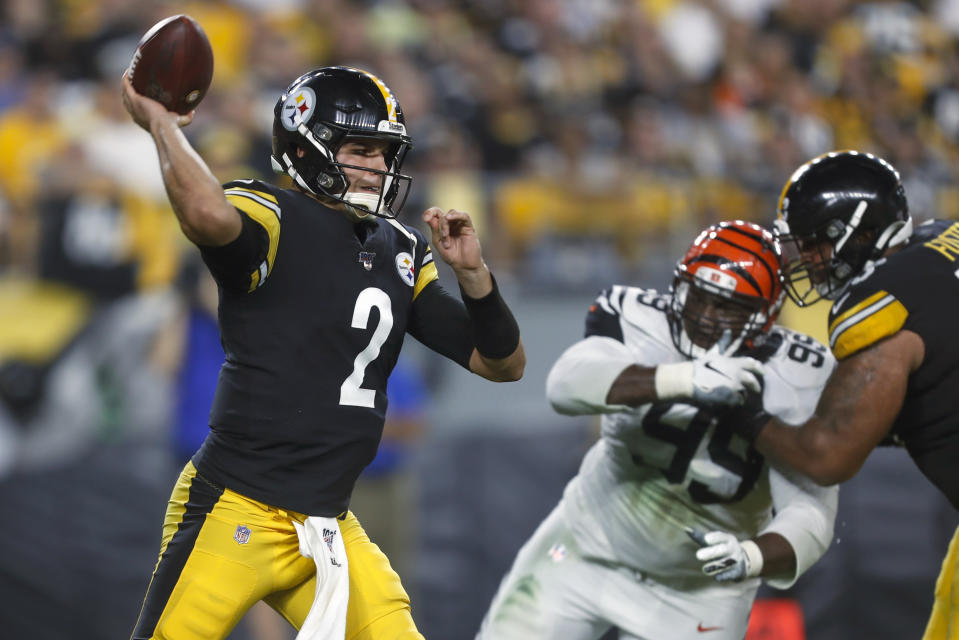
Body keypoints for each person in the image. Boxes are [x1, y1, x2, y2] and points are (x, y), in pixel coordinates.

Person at [122, 65, 525, 640]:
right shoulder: (273, 213)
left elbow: (503, 364)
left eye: (386, 153)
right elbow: (207, 215)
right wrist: (161, 124)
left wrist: (477, 278)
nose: (379, 167)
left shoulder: (402, 248)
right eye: (361, 149)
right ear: (307, 146)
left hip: (328, 521)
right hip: (235, 505)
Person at [476, 221, 838, 640]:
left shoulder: (800, 374)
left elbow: (812, 510)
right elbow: (565, 384)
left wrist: (751, 557)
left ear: (765, 314)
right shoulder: (637, 317)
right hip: (584, 550)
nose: (706, 317)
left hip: (702, 594)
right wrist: (684, 379)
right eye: (699, 298)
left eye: (729, 307)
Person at [736, 150, 959, 639]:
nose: (808, 260)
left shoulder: (881, 303)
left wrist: (746, 418)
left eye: (814, 244)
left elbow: (829, 455)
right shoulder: (946, 237)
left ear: (856, 232)